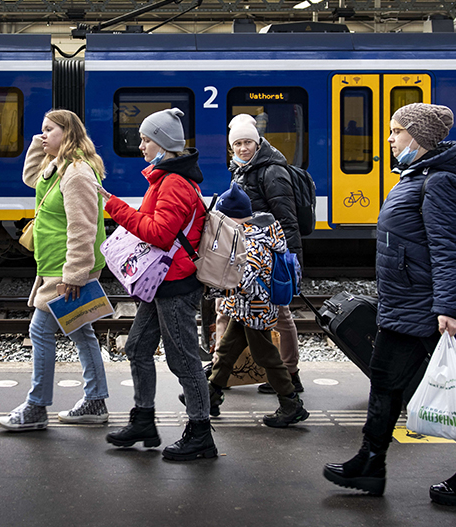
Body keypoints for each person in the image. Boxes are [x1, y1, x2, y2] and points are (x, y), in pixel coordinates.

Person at [322, 102, 456, 506]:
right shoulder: (420, 175)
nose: (390, 138)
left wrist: (449, 309)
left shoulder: (440, 182)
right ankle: (370, 462)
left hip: (434, 308)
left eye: (396, 131)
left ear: (418, 137)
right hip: (408, 303)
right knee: (384, 379)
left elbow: (449, 249)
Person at [98, 107, 216, 461]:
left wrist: (114, 207)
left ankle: (200, 435)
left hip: (176, 284)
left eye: (146, 139)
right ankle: (144, 420)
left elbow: (160, 234)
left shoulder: (175, 183)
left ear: (163, 144)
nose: (141, 145)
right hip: (160, 280)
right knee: (136, 347)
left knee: (184, 361)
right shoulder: (166, 179)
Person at [0, 109, 110, 431]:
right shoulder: (59, 168)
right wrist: (41, 141)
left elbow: (83, 227)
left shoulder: (76, 173)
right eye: (41, 129)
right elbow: (32, 178)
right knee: (80, 329)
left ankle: (36, 407)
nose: (42, 134)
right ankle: (95, 401)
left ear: (69, 133)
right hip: (54, 264)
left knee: (40, 330)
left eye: (49, 130)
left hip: (67, 268)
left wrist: (74, 275)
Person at [200, 183, 309, 428]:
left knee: (266, 356)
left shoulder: (253, 240)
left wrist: (216, 286)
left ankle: (291, 404)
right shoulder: (249, 232)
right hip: (244, 308)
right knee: (227, 350)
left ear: (231, 217)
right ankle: (211, 396)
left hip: (256, 308)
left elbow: (245, 279)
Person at [222, 113, 304, 394]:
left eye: (248, 143)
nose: (243, 148)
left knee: (280, 313)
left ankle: (291, 373)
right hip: (249, 255)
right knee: (238, 314)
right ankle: (229, 373)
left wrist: (292, 265)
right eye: (238, 144)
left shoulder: (272, 171)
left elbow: (287, 219)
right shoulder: (242, 169)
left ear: (257, 144)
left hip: (269, 255)